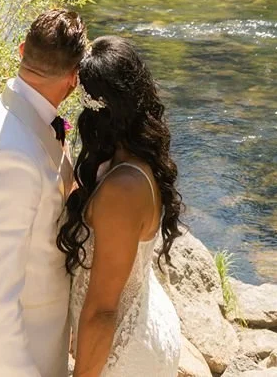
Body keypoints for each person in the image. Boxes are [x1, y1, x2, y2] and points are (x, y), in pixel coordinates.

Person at [0, 7, 88, 377]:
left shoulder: (21, 115)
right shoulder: (10, 157)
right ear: (73, 80)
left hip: (42, 334)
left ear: (20, 51)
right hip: (15, 352)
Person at [58, 35, 184, 377]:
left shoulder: (123, 190)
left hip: (124, 352)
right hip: (144, 315)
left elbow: (102, 310)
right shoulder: (132, 156)